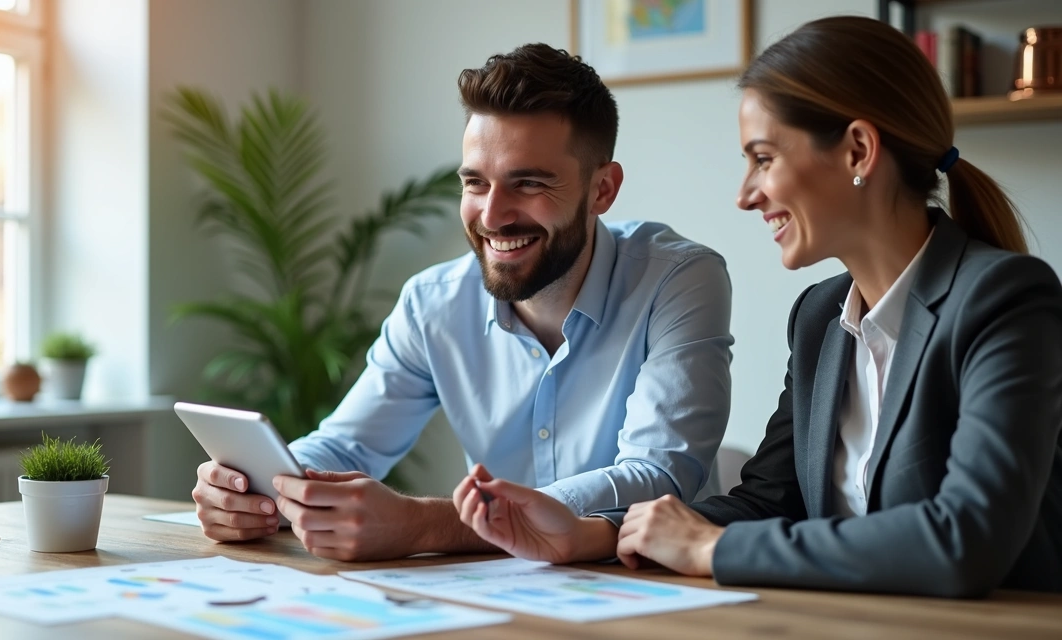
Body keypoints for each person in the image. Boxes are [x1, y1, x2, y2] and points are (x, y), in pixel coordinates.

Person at [453, 16, 1062, 597]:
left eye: (763, 158)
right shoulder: (823, 317)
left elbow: (967, 539)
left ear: (857, 151)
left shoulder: (1005, 299)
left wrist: (713, 551)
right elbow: (768, 500)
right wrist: (598, 533)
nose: (745, 195)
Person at [192, 43, 734, 561]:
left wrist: (428, 524)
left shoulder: (680, 279)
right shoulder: (432, 303)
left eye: (527, 183)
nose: (493, 216)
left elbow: (657, 475)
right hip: (491, 594)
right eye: (475, 183)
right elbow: (347, 448)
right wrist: (255, 492)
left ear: (602, 191)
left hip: (647, 590)